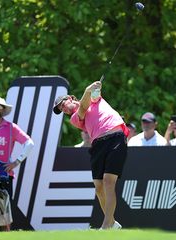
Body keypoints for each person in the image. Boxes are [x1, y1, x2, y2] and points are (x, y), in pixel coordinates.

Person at [53, 81, 128, 229]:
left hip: (115, 137)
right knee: (99, 187)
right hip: (98, 145)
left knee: (108, 182)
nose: (63, 109)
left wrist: (94, 88)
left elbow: (93, 96)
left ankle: (106, 225)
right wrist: (88, 89)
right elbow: (82, 108)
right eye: (60, 109)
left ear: (70, 98)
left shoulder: (95, 98)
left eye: (62, 105)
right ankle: (112, 223)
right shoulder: (75, 118)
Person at [0, 97, 34, 229]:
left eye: (0, 107)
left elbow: (29, 143)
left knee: (5, 209)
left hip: (5, 173)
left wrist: (16, 162)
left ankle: (7, 236)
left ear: (4, 110)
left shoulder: (11, 127)